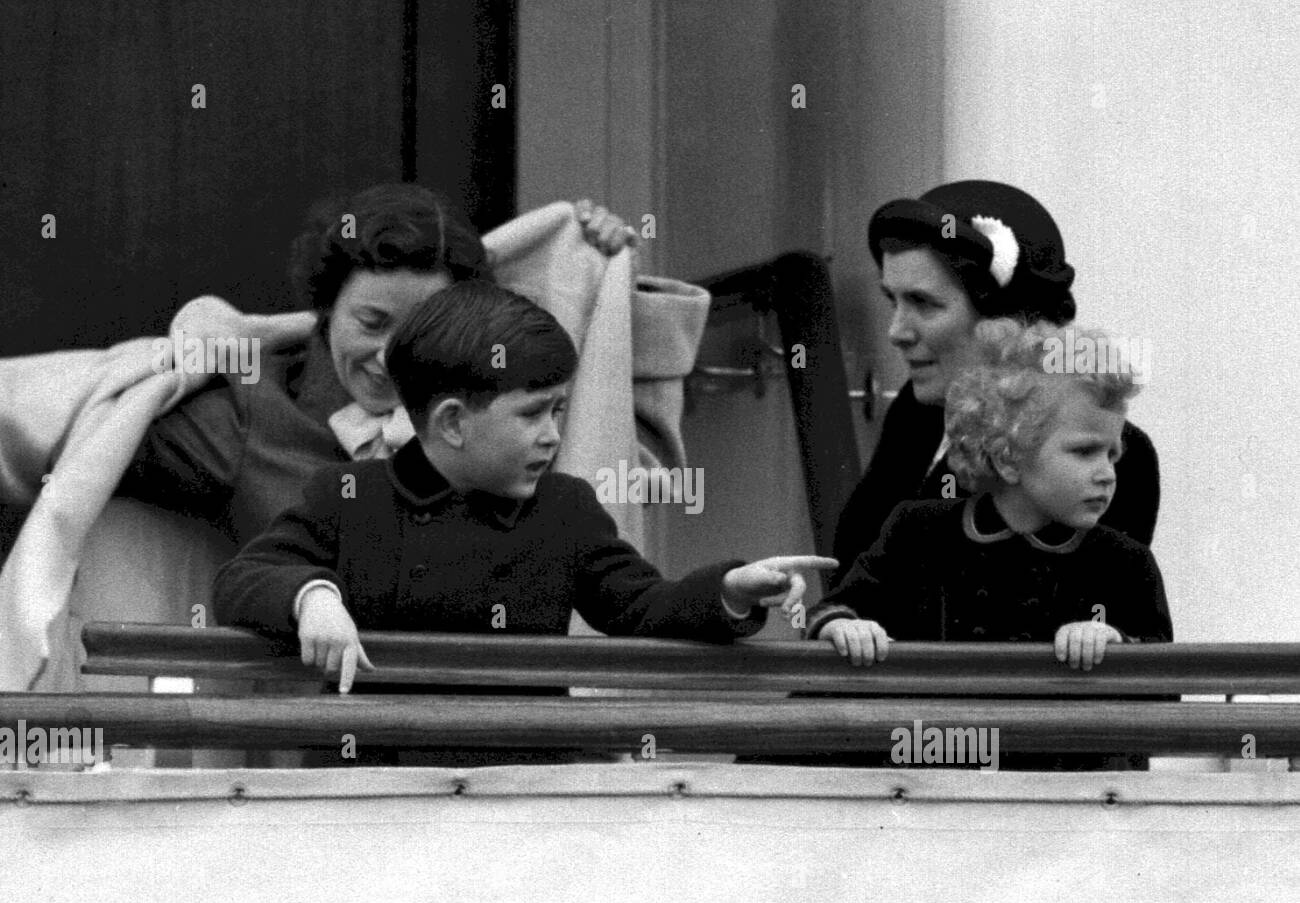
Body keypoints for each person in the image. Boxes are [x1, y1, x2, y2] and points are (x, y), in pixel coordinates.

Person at [213, 280, 837, 694]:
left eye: (558, 412)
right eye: (532, 414)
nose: (551, 435)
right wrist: (314, 600)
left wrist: (730, 590)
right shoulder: (350, 496)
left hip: (527, 792)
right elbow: (243, 580)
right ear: (453, 421)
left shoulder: (564, 509)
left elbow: (643, 606)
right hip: (379, 792)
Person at [114, 184, 636, 548]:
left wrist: (607, 279)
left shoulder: (505, 406)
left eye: (422, 327)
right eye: (371, 322)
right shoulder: (250, 411)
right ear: (325, 311)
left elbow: (626, 458)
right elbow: (78, 443)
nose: (391, 356)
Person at [831, 180, 1159, 587]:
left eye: (923, 303)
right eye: (892, 302)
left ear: (1005, 317)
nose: (896, 332)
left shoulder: (1110, 457)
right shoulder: (916, 415)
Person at [811, 321, 1172, 666]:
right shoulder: (918, 532)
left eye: (1112, 456)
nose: (1107, 475)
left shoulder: (1125, 563)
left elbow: (1165, 676)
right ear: (1008, 458)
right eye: (1085, 452)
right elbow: (836, 608)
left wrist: (1113, 645)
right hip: (934, 729)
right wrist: (844, 626)